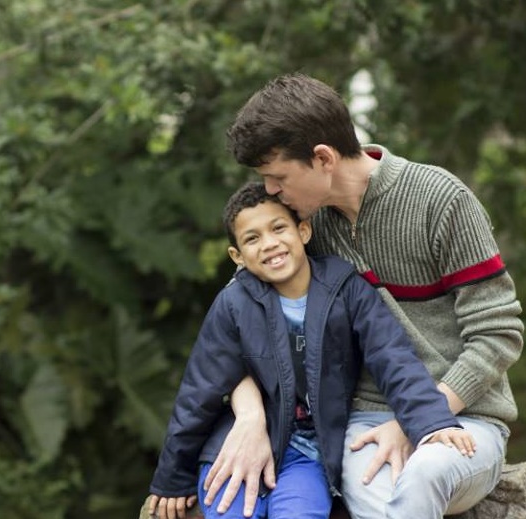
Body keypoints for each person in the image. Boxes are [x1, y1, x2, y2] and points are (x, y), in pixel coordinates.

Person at [204, 73, 524, 519]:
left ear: (322, 158)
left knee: (425, 475)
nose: (272, 191)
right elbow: (231, 326)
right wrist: (252, 417)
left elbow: (498, 333)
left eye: (277, 177)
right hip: (361, 426)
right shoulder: (302, 228)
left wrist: (419, 417)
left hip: (462, 419)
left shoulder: (440, 200)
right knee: (380, 498)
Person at [147, 181, 475, 519]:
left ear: (303, 230)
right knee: (229, 512)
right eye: (252, 238)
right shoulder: (234, 304)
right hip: (235, 446)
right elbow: (199, 391)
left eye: (278, 228)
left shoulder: (347, 290)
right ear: (237, 257)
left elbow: (393, 357)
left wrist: (432, 422)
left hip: (308, 452)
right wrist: (172, 479)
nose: (270, 244)